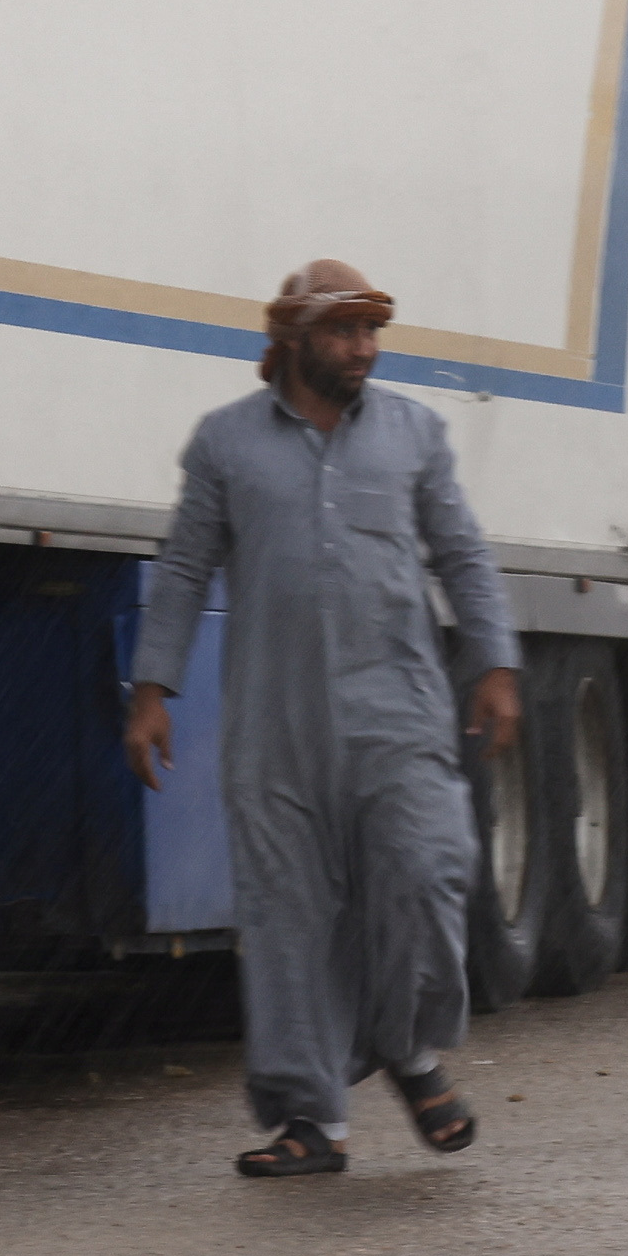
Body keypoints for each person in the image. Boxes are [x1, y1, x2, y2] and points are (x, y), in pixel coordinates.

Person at [122, 258, 519, 1177]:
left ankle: (410, 1049)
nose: (364, 349)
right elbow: (183, 569)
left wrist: (495, 664)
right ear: (295, 339)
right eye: (346, 332)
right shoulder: (226, 444)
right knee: (288, 917)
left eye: (372, 331)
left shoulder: (416, 434)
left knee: (427, 872)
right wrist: (152, 692)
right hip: (276, 723)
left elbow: (463, 554)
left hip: (401, 712)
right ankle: (311, 1122)